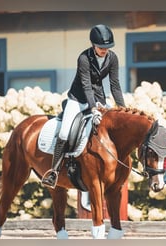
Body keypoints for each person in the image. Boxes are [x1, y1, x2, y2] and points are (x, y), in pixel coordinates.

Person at [42, 24, 126, 190]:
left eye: (107, 47)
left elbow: (115, 85)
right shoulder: (84, 58)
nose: (104, 50)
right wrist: (93, 108)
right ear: (93, 45)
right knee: (65, 131)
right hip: (78, 99)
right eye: (101, 47)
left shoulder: (112, 58)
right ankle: (54, 171)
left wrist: (122, 109)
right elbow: (86, 85)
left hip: (99, 98)